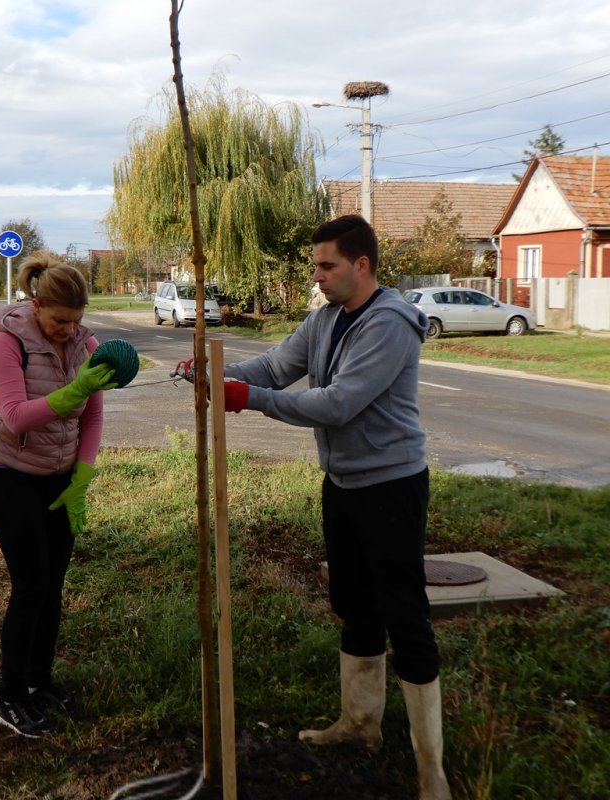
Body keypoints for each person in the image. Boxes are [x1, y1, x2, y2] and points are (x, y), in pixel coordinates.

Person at [198, 215, 452, 799]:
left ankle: (431, 770)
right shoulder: (326, 319)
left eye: (326, 265)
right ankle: (361, 725)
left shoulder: (388, 325)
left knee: (405, 614)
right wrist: (215, 371)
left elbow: (338, 404)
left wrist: (248, 399)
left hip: (391, 486)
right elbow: (273, 368)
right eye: (315, 265)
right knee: (354, 604)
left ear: (361, 265)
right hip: (342, 484)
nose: (317, 276)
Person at [0, 254, 116, 738]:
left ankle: (39, 682)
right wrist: (73, 389)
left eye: (76, 321)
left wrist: (83, 475)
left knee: (53, 585)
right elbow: (14, 415)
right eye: (59, 320)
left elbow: (93, 417)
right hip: (7, 474)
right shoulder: (7, 341)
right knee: (31, 584)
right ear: (36, 304)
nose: (67, 330)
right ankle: (9, 698)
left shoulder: (85, 342)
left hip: (57, 476)